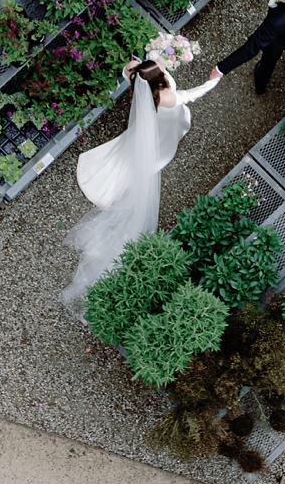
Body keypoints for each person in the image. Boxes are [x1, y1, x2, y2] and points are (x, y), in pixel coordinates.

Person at [60, 51, 221, 309]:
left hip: (154, 121)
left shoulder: (134, 73)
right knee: (160, 152)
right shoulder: (166, 97)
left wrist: (154, 53)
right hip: (162, 129)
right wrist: (214, 79)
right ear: (158, 81)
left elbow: (132, 66)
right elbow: (192, 95)